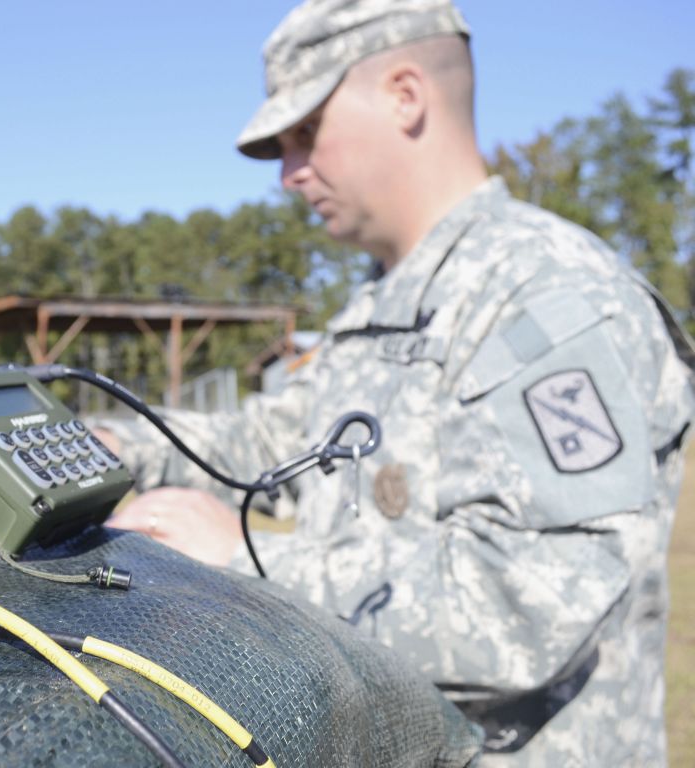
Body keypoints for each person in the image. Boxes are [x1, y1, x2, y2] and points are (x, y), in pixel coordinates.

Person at [93, 1, 695, 765]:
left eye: (304, 134)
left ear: (406, 96)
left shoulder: (545, 297)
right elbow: (275, 446)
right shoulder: (383, 304)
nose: (287, 174)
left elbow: (530, 601)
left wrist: (247, 564)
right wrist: (106, 444)